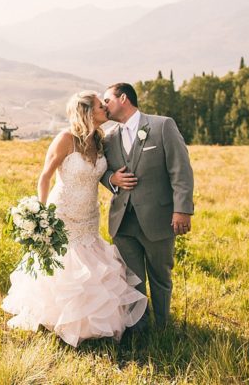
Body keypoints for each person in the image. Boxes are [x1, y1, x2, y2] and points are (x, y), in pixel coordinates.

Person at [2, 91, 147, 347]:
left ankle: (91, 322)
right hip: (64, 212)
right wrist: (41, 212)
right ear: (88, 112)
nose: (106, 108)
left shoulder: (100, 141)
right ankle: (59, 319)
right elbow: (45, 176)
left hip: (90, 216)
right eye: (101, 106)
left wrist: (114, 178)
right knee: (66, 266)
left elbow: (103, 174)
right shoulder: (65, 139)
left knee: (91, 265)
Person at [101, 83, 194, 331]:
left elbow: (180, 169)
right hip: (123, 222)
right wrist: (112, 179)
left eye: (107, 100)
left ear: (123, 98)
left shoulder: (162, 126)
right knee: (131, 279)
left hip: (158, 218)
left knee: (160, 277)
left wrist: (182, 209)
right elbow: (98, 170)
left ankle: (163, 326)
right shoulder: (109, 138)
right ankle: (138, 328)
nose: (103, 106)